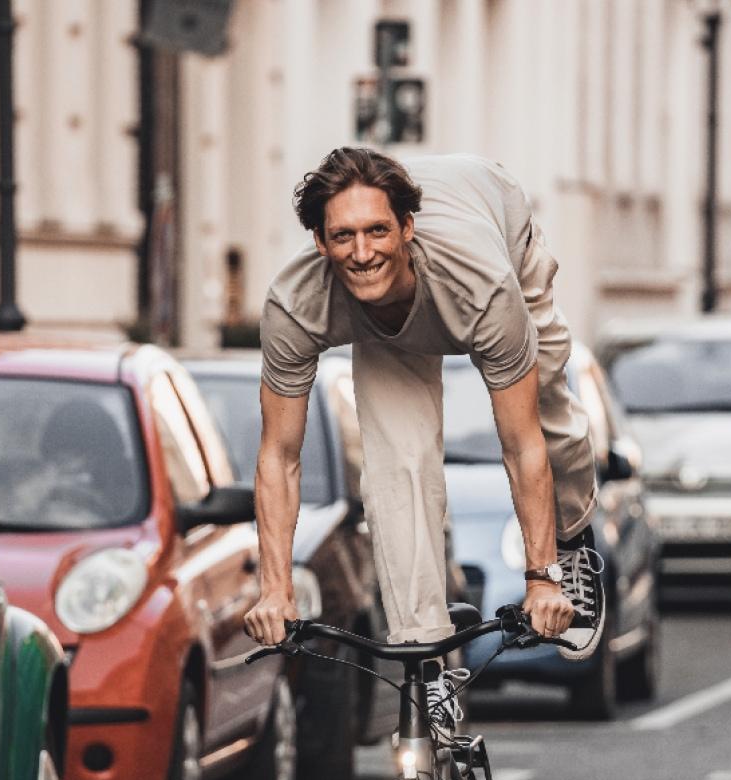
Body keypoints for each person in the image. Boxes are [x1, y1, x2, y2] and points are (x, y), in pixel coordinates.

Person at [244, 148, 603, 734]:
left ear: (407, 228)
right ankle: (429, 662)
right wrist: (276, 588)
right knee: (397, 467)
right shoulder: (296, 303)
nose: (362, 253)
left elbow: (519, 445)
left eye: (378, 231)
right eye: (343, 237)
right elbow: (280, 456)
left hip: (496, 228)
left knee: (545, 403)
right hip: (385, 332)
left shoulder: (483, 288)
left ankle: (574, 542)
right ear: (319, 242)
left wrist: (542, 578)